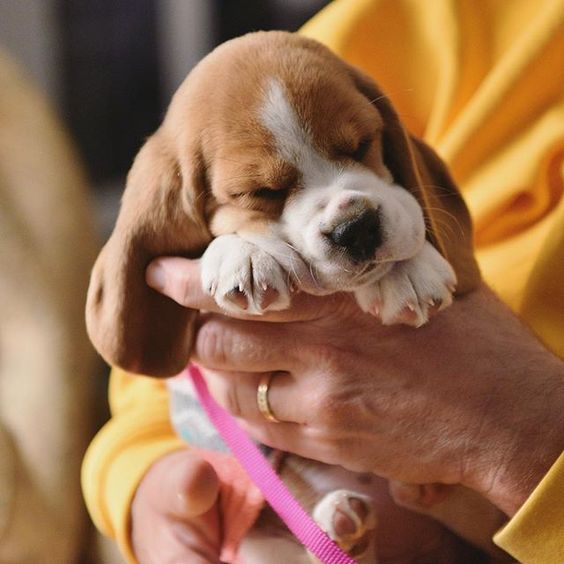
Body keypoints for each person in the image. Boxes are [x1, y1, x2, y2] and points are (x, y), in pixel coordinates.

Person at [82, 0, 564, 562]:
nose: (344, 214)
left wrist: (526, 432)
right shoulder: (391, 27)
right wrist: (145, 477)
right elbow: (149, 363)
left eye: (359, 148)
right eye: (264, 192)